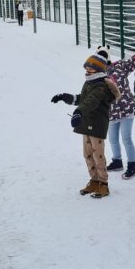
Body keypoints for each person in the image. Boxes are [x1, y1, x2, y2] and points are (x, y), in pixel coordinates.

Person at [51, 51, 121, 198]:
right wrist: (65, 97)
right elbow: (82, 98)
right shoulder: (89, 82)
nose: (88, 71)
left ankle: (103, 184)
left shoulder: (101, 85)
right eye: (87, 68)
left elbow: (92, 101)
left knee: (98, 154)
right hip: (86, 123)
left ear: (100, 70)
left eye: (92, 68)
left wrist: (79, 112)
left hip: (97, 124)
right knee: (87, 154)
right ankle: (94, 180)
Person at [99, 46, 135, 180]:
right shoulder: (98, 75)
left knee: (126, 138)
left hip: (126, 108)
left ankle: (132, 165)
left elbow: (134, 61)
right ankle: (117, 161)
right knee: (113, 139)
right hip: (111, 113)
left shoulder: (120, 66)